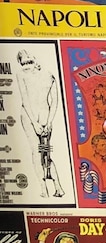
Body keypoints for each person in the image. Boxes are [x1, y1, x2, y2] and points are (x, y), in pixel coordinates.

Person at [16, 50, 65, 198]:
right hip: (34, 118)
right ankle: (49, 188)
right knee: (39, 152)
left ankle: (53, 188)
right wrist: (41, 122)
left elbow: (54, 100)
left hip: (40, 118)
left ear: (34, 59)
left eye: (29, 62)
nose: (27, 66)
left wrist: (47, 121)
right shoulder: (24, 75)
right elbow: (26, 100)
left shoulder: (47, 75)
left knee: (43, 153)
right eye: (24, 64)